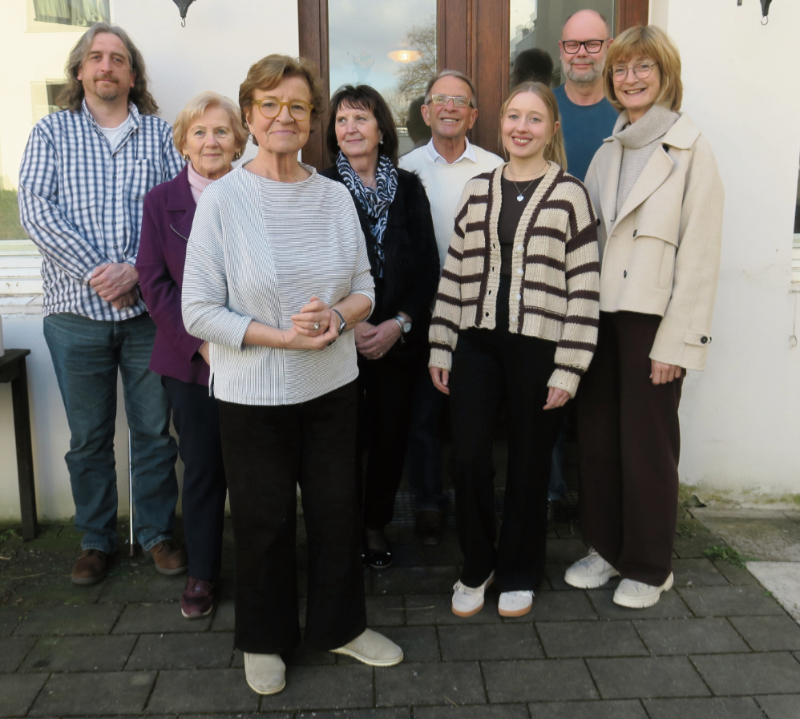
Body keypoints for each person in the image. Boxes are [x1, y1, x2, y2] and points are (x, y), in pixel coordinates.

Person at [181, 54, 403, 696]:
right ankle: (265, 638)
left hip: (332, 387)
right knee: (264, 519)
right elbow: (198, 310)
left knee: (338, 512)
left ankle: (341, 627)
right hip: (253, 393)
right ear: (250, 115)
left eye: (298, 107)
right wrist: (281, 337)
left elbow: (365, 285)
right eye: (270, 104)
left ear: (313, 121)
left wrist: (335, 318)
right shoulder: (222, 199)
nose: (285, 115)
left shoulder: (334, 196)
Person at [17, 22, 185, 585]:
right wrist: (98, 271)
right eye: (97, 57)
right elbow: (36, 210)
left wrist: (138, 270)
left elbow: (178, 213)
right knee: (88, 437)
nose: (107, 66)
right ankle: (96, 539)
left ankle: (157, 533)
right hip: (74, 314)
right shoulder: (51, 132)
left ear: (132, 75)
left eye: (118, 58)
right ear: (80, 71)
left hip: (147, 315)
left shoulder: (161, 136)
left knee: (154, 432)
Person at [565, 26, 724, 609]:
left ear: (665, 75)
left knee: (648, 446)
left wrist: (675, 344)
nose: (630, 78)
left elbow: (701, 253)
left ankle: (651, 565)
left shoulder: (690, 148)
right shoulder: (609, 152)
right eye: (621, 70)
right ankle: (606, 548)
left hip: (651, 325)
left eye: (643, 68)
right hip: (597, 320)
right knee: (599, 441)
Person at [429, 82, 600, 619]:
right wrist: (441, 345)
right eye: (513, 117)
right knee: (471, 457)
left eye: (533, 118)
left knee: (529, 463)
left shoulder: (571, 193)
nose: (521, 128)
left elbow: (585, 287)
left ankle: (521, 568)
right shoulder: (478, 189)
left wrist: (570, 366)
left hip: (541, 348)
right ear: (500, 125)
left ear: (552, 129)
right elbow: (455, 271)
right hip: (475, 343)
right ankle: (477, 564)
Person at [320, 85, 440, 569]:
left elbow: (429, 267)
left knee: (390, 438)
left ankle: (374, 524)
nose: (350, 128)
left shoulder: (409, 188)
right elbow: (314, 268)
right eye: (342, 121)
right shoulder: (322, 187)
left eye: (360, 119)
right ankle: (341, 528)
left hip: (398, 341)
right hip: (339, 343)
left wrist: (399, 323)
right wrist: (354, 325)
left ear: (380, 129)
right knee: (341, 442)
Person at [137, 92, 247, 618]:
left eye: (222, 132)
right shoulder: (161, 202)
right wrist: (202, 343)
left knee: (255, 468)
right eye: (199, 132)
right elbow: (154, 284)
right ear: (183, 142)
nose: (210, 141)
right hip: (191, 363)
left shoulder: (257, 194)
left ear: (239, 141)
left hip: (254, 356)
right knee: (203, 467)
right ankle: (203, 573)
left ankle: (259, 569)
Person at [398, 70, 503, 545]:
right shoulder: (406, 168)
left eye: (460, 101)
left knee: (474, 410)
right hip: (422, 305)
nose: (449, 108)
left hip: (478, 305)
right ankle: (427, 501)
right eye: (440, 100)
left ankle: (474, 500)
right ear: (425, 112)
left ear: (474, 115)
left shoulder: (494, 167)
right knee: (422, 409)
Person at [554, 10, 619, 183]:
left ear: (609, 48)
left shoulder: (627, 111)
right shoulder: (542, 109)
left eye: (592, 44)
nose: (581, 53)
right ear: (561, 49)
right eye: (573, 44)